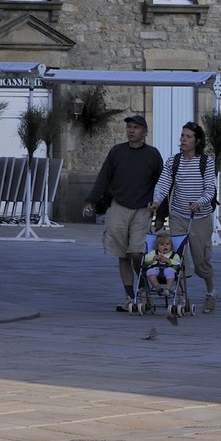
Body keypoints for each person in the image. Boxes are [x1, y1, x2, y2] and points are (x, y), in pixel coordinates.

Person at [82, 113, 163, 313]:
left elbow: (161, 185)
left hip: (142, 209)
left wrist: (161, 213)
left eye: (136, 128)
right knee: (121, 253)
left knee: (136, 252)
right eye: (129, 127)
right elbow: (103, 178)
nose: (131, 131)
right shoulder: (116, 152)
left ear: (144, 132)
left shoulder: (153, 155)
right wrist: (90, 201)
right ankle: (130, 295)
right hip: (118, 206)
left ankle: (143, 287)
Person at [152, 119, 219, 313]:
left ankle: (211, 292)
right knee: (177, 258)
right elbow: (163, 184)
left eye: (188, 136)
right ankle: (180, 297)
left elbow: (210, 190)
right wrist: (156, 201)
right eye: (182, 135)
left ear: (197, 141)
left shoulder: (206, 162)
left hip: (200, 218)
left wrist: (200, 202)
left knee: (201, 262)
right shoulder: (174, 161)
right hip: (178, 216)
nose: (183, 139)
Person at [142, 232, 185, 321]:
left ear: (171, 246)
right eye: (162, 244)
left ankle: (168, 289)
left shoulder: (174, 255)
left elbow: (178, 263)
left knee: (170, 272)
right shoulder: (154, 253)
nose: (165, 246)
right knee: (149, 272)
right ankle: (157, 287)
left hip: (168, 270)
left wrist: (169, 261)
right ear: (157, 246)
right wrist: (154, 258)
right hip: (156, 269)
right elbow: (145, 259)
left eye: (167, 244)